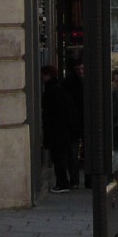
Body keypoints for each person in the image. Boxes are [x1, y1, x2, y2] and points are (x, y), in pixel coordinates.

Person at [42, 65, 75, 193]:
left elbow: (56, 113)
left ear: (48, 75)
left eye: (43, 75)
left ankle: (62, 183)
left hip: (57, 131)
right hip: (60, 131)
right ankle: (62, 182)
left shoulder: (53, 90)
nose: (42, 78)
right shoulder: (57, 88)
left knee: (59, 158)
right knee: (59, 158)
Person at [62, 59, 84, 189]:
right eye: (78, 69)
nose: (81, 72)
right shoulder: (71, 83)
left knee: (74, 153)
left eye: (82, 69)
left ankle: (77, 180)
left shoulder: (83, 82)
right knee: (73, 153)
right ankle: (75, 180)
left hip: (78, 123)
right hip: (75, 123)